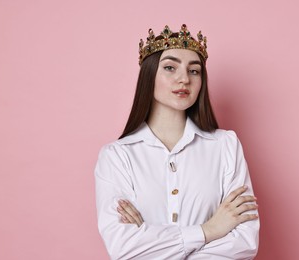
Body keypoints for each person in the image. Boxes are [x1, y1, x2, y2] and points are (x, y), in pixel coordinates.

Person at [95, 24, 260, 259]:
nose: (184, 79)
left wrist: (153, 242)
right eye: (170, 68)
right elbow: (124, 248)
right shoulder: (117, 156)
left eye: (194, 71)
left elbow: (244, 240)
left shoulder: (226, 145)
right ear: (149, 75)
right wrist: (209, 230)